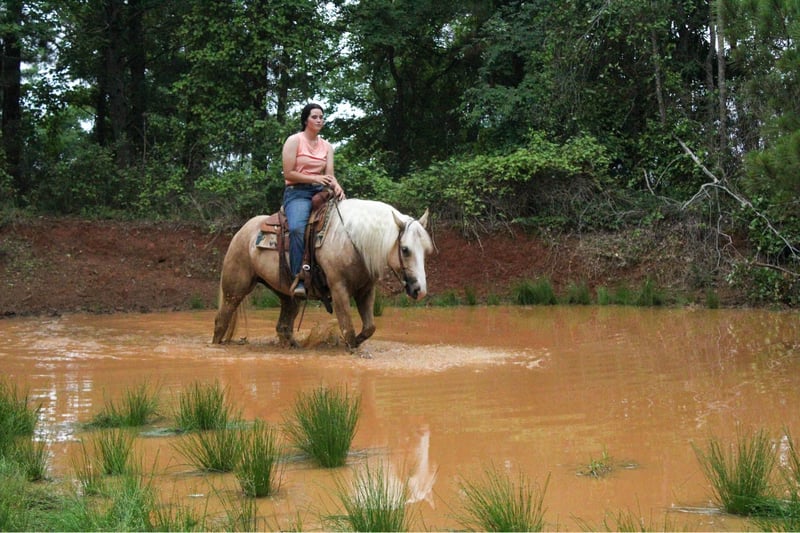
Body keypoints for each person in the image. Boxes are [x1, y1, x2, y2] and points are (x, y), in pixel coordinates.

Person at [281, 103, 345, 298]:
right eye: (314, 117)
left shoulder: (327, 146)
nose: (319, 120)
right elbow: (289, 173)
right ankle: (298, 277)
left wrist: (336, 186)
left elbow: (329, 175)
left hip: (320, 192)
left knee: (343, 223)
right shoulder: (294, 141)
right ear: (305, 120)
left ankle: (336, 274)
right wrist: (315, 178)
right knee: (297, 229)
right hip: (297, 193)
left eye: (321, 117)